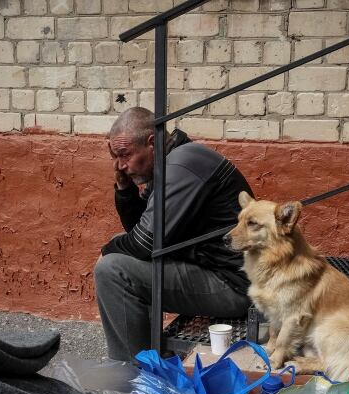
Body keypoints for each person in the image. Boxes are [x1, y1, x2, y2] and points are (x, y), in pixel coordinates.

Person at [94, 107, 254, 361]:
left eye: (125, 155)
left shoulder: (182, 165)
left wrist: (107, 250)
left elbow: (143, 243)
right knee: (119, 255)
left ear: (152, 143)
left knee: (112, 270)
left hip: (234, 286)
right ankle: (149, 356)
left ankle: (130, 375)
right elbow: (140, 233)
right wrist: (124, 190)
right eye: (116, 156)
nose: (120, 165)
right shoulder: (173, 162)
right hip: (214, 271)